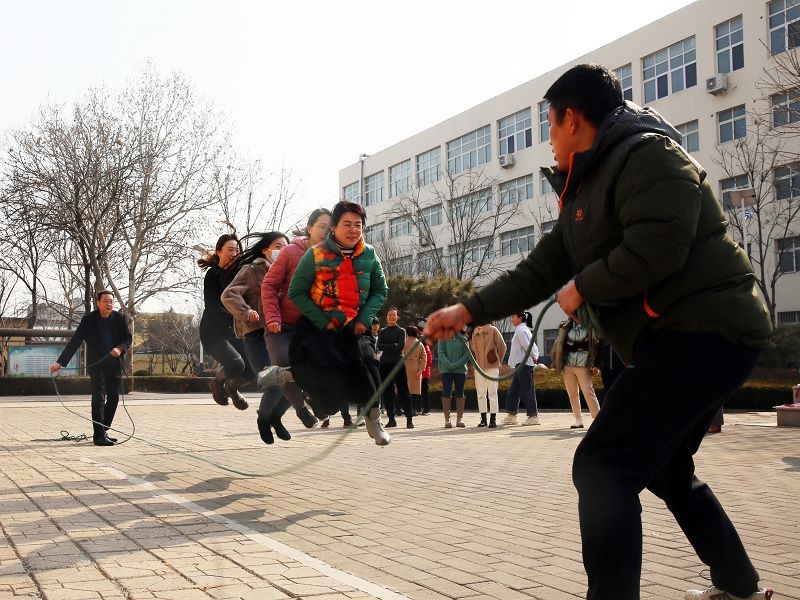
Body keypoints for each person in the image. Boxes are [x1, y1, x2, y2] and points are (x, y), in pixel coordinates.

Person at [422, 64, 773, 600]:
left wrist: (584, 285)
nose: (549, 140)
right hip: (688, 339)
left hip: (704, 332)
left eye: (549, 126)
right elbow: (536, 272)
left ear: (571, 118)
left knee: (603, 466)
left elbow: (660, 244)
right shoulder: (585, 190)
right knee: (667, 469)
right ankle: (739, 586)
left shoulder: (647, 155)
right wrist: (466, 311)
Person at [257, 200, 391, 446]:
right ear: (334, 228)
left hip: (355, 328)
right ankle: (286, 374)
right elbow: (297, 292)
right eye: (346, 224)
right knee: (330, 385)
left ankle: (374, 420)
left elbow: (380, 291)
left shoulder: (370, 254)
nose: (353, 229)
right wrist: (323, 321)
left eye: (358, 225)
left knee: (369, 370)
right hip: (321, 327)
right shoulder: (316, 254)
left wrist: (364, 318)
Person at [261, 208, 332, 432]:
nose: (325, 232)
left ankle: (312, 398)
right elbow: (269, 285)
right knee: (283, 360)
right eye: (321, 226)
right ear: (310, 228)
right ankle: (301, 408)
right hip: (281, 325)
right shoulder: (291, 252)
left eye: (330, 229)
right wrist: (272, 316)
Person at [221, 231, 289, 444]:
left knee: (296, 381)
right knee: (275, 381)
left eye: (285, 247)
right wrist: (246, 312)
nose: (281, 251)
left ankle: (275, 418)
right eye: (277, 246)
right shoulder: (251, 271)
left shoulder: (288, 274)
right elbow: (229, 294)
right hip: (257, 336)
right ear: (265, 250)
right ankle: (263, 419)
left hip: (281, 336)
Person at [50, 290, 132, 446]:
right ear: (98, 302)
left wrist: (120, 349)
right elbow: (76, 341)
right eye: (106, 301)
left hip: (114, 364)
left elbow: (128, 338)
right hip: (97, 365)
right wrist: (60, 362)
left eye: (111, 302)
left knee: (114, 398)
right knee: (99, 397)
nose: (109, 304)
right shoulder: (89, 320)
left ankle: (103, 429)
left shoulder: (119, 318)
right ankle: (98, 436)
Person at [198, 233, 250, 409]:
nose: (234, 253)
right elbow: (213, 305)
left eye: (237, 250)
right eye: (230, 249)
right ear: (219, 251)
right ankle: (216, 384)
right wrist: (240, 312)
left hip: (234, 331)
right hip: (213, 333)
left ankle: (232, 388)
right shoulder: (213, 275)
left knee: (252, 368)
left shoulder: (241, 274)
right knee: (236, 363)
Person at [552, 318, 601, 429]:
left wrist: (596, 364)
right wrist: (555, 362)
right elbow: (559, 344)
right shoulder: (565, 326)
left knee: (588, 391)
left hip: (584, 365)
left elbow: (595, 345)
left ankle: (598, 418)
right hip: (567, 365)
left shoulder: (590, 326)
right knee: (572, 394)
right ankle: (578, 420)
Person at [503, 311, 540, 426]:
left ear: (520, 318)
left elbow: (527, 345)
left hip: (524, 365)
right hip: (521, 365)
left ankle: (533, 416)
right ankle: (512, 415)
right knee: (514, 391)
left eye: (513, 317)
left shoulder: (521, 330)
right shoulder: (524, 329)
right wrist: (535, 355)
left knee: (527, 390)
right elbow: (533, 345)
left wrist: (534, 356)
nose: (511, 319)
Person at [469, 322, 507, 428]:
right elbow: (472, 350)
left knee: (492, 392)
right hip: (478, 366)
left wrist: (497, 360)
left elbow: (503, 347)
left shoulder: (493, 330)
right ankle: (483, 419)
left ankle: (493, 419)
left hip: (492, 366)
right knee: (481, 393)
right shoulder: (474, 332)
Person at [377, 307, 409, 428]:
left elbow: (401, 346)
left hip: (398, 363)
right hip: (385, 364)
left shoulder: (401, 331)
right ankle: (391, 419)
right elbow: (380, 346)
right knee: (387, 392)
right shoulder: (382, 331)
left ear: (397, 317)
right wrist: (393, 345)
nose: (392, 317)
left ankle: (409, 418)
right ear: (386, 317)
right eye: (389, 315)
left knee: (403, 390)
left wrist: (389, 346)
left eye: (394, 315)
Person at [437, 332, 469, 428]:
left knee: (460, 392)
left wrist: (456, 364)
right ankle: (447, 419)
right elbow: (441, 353)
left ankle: (459, 419)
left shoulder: (464, 338)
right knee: (446, 392)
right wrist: (449, 364)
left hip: (460, 370)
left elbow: (467, 355)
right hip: (446, 370)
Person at [402, 326, 425, 429]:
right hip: (415, 368)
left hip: (404, 367)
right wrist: (421, 369)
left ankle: (401, 409)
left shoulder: (403, 342)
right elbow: (424, 356)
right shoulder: (419, 343)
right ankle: (414, 409)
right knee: (415, 391)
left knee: (404, 390)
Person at [420, 339, 433, 416]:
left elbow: (429, 362)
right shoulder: (426, 349)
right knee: (424, 391)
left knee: (424, 391)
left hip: (424, 374)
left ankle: (426, 408)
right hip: (424, 373)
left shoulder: (426, 349)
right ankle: (425, 408)